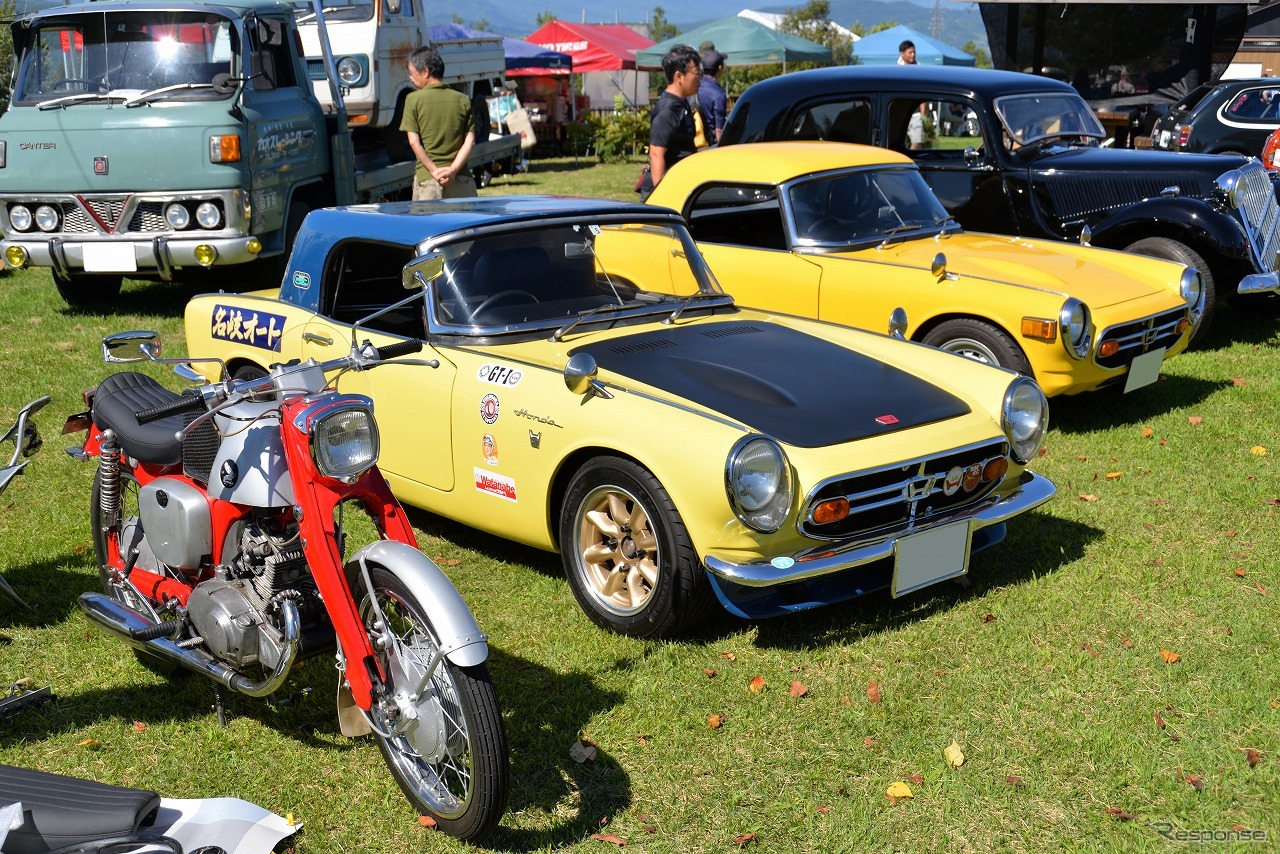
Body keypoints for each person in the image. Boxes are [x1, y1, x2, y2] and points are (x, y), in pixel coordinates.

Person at [400, 45, 476, 201]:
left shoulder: (413, 100)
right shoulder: (463, 100)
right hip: (461, 179)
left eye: (412, 73)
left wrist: (434, 171)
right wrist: (453, 170)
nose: (411, 78)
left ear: (426, 72)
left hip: (428, 181)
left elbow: (414, 142)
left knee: (428, 225)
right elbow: (470, 141)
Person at [639, 44, 701, 201]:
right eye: (696, 73)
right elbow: (656, 153)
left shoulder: (682, 103)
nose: (699, 78)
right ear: (679, 76)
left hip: (681, 183)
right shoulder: (669, 109)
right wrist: (661, 196)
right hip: (667, 190)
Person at [898, 40, 927, 149]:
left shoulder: (919, 69)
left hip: (915, 113)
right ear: (902, 53)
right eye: (910, 52)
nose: (913, 55)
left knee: (918, 141)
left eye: (914, 52)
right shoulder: (896, 70)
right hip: (900, 112)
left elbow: (922, 93)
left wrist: (923, 113)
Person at [699, 50, 729, 143]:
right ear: (720, 68)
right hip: (709, 144)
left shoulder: (694, 87)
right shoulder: (719, 94)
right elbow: (719, 130)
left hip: (692, 143)